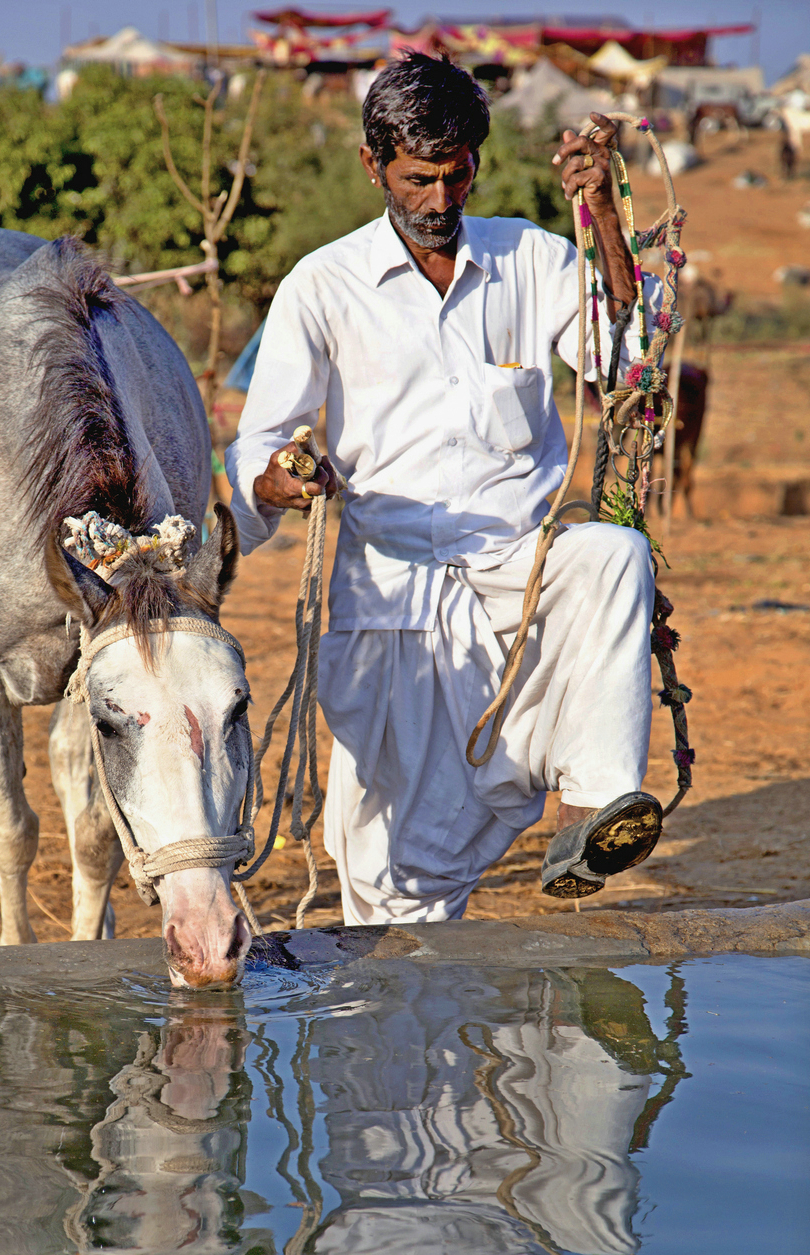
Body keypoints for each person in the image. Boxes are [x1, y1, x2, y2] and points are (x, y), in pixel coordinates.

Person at [226, 53, 664, 926]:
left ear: (477, 164)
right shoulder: (323, 285)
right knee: (393, 885)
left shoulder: (534, 260)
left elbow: (629, 363)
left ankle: (592, 806)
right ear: (372, 165)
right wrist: (283, 480)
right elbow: (259, 450)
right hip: (390, 599)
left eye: (454, 176)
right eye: (416, 179)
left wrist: (604, 217)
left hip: (517, 572)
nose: (436, 201)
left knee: (613, 555)